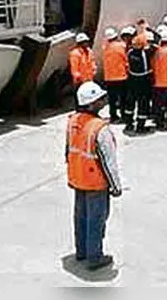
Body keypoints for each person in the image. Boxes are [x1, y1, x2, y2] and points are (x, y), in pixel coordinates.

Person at [66, 82, 122, 271]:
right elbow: (108, 161)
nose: (103, 101)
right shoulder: (100, 129)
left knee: (80, 216)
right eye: (99, 100)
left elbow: (68, 150)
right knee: (96, 219)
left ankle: (81, 251)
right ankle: (95, 257)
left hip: (77, 178)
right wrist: (115, 186)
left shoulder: (72, 121)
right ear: (91, 104)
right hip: (96, 183)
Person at [126, 33, 154, 134]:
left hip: (131, 79)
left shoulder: (129, 53)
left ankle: (129, 123)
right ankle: (140, 126)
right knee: (143, 103)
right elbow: (154, 48)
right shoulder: (145, 54)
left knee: (130, 102)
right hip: (143, 81)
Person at [102, 28, 129, 123]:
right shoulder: (122, 46)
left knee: (112, 98)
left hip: (109, 77)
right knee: (123, 98)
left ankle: (113, 116)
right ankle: (124, 115)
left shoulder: (105, 47)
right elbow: (126, 59)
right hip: (121, 75)